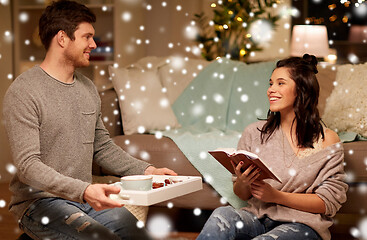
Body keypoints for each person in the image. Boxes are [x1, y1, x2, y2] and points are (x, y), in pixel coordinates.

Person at [3, 1, 177, 239]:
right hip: (39, 203)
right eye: (87, 37)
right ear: (62, 38)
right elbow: (27, 167)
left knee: (139, 235)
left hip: (84, 200)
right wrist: (84, 190)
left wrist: (148, 170)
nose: (93, 45)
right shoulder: (25, 91)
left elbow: (102, 147)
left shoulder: (87, 89)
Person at [197, 54, 348, 240]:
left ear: (302, 89)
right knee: (222, 215)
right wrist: (242, 183)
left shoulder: (327, 140)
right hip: (257, 217)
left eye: (280, 83)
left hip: (302, 225)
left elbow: (328, 202)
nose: (271, 90)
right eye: (270, 84)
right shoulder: (254, 133)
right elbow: (242, 194)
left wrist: (277, 196)